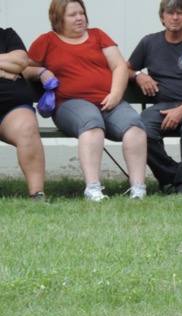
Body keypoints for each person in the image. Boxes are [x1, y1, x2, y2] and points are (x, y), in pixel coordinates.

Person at [27, 0, 147, 201]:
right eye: (72, 15)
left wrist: (116, 94)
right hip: (69, 103)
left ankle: (138, 188)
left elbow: (119, 66)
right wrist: (41, 71)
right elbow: (25, 68)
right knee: (91, 124)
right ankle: (92, 188)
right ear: (58, 19)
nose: (79, 18)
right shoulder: (46, 41)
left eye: (81, 13)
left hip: (108, 100)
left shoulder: (98, 35)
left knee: (134, 127)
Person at [128, 0, 182, 195]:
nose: (175, 17)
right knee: (138, 127)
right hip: (162, 106)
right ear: (162, 17)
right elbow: (126, 69)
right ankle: (174, 176)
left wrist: (181, 111)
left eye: (180, 13)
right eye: (170, 13)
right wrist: (138, 75)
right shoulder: (149, 42)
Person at [0, 28, 46, 200]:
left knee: (27, 127)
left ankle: (37, 194)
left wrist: (13, 66)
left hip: (11, 110)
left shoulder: (7, 35)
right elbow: (13, 65)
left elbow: (20, 62)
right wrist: (4, 71)